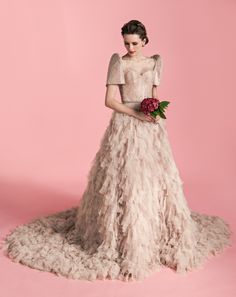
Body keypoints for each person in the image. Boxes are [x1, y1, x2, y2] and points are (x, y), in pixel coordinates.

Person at [0, 19, 232, 282]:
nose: (130, 48)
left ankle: (152, 232)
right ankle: (126, 237)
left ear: (145, 41)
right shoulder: (118, 63)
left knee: (154, 178)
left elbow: (154, 94)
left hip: (151, 127)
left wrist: (154, 113)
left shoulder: (155, 62)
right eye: (126, 43)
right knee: (126, 178)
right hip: (126, 124)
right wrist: (136, 112)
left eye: (135, 43)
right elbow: (109, 100)